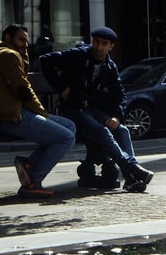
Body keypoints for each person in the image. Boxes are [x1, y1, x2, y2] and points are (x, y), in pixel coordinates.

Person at [39, 26, 154, 193]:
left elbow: (120, 95)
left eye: (104, 44)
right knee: (102, 132)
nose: (99, 47)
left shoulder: (109, 66)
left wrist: (116, 116)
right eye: (96, 42)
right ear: (92, 41)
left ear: (111, 46)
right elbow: (45, 60)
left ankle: (131, 178)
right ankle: (132, 169)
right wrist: (62, 88)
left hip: (93, 111)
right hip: (72, 111)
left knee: (122, 131)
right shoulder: (77, 55)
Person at [0, 24, 76, 199]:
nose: (26, 44)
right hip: (12, 117)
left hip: (11, 114)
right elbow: (23, 90)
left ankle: (29, 164)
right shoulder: (8, 55)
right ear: (8, 39)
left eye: (26, 39)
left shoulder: (3, 53)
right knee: (66, 137)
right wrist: (43, 113)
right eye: (21, 39)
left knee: (69, 126)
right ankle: (34, 181)